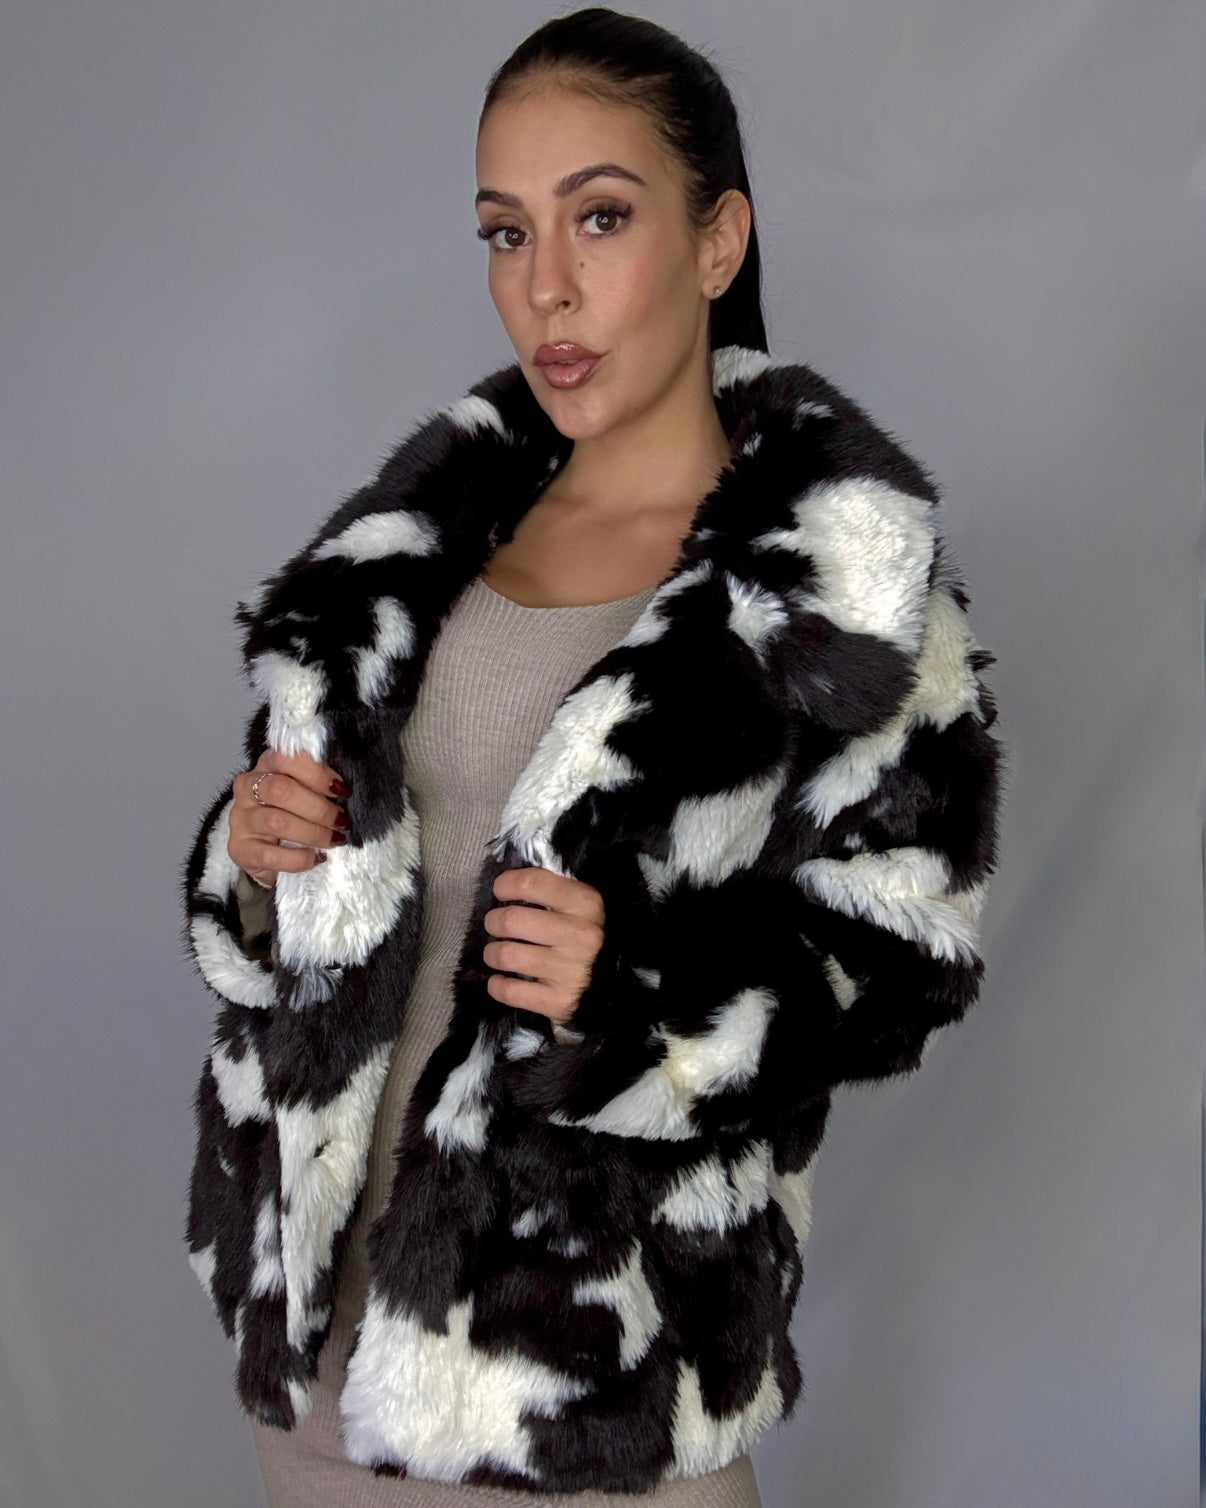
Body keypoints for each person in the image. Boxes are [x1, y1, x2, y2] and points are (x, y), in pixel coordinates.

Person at [181, 8, 1005, 1506]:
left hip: (597, 1393)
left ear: (717, 240)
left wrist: (635, 998)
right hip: (329, 1371)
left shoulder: (837, 592)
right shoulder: (409, 555)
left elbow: (907, 963)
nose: (543, 286)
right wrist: (252, 857)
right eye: (505, 232)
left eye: (601, 218)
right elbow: (323, 909)